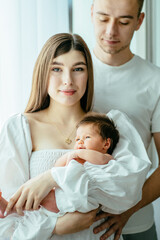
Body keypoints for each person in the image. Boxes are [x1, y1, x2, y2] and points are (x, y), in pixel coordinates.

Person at [0, 32, 150, 240]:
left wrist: (51, 177)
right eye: (56, 69)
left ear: (88, 74)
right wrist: (56, 226)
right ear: (43, 72)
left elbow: (128, 188)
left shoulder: (111, 125)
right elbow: (8, 216)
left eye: (78, 69)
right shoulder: (20, 127)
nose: (68, 80)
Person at [90, 0, 160, 239]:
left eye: (124, 21)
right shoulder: (72, 73)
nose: (111, 31)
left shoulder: (155, 81)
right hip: (75, 225)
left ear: (139, 22)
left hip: (136, 226)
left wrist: (127, 211)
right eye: (103, 18)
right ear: (91, 13)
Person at [0, 113, 119, 218]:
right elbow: (57, 168)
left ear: (106, 144)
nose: (80, 142)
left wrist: (78, 153)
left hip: (75, 199)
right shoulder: (77, 157)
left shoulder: (106, 157)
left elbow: (100, 160)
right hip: (62, 196)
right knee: (36, 196)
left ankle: (12, 208)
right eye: (77, 139)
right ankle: (11, 207)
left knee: (41, 200)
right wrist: (68, 158)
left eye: (87, 137)